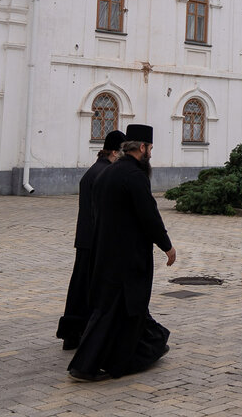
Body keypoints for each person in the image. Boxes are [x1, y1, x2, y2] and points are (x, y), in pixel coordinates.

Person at [68, 124, 176, 381]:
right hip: (128, 259)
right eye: (150, 148)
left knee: (121, 311)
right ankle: (89, 364)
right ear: (142, 148)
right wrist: (167, 246)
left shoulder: (109, 173)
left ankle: (147, 347)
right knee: (120, 310)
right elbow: (149, 216)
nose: (150, 153)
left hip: (105, 254)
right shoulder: (135, 177)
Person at [56, 129, 124, 350]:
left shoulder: (95, 170)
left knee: (80, 288)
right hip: (95, 240)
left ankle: (73, 334)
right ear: (114, 152)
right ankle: (84, 334)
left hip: (86, 238)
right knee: (91, 289)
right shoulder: (104, 173)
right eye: (122, 152)